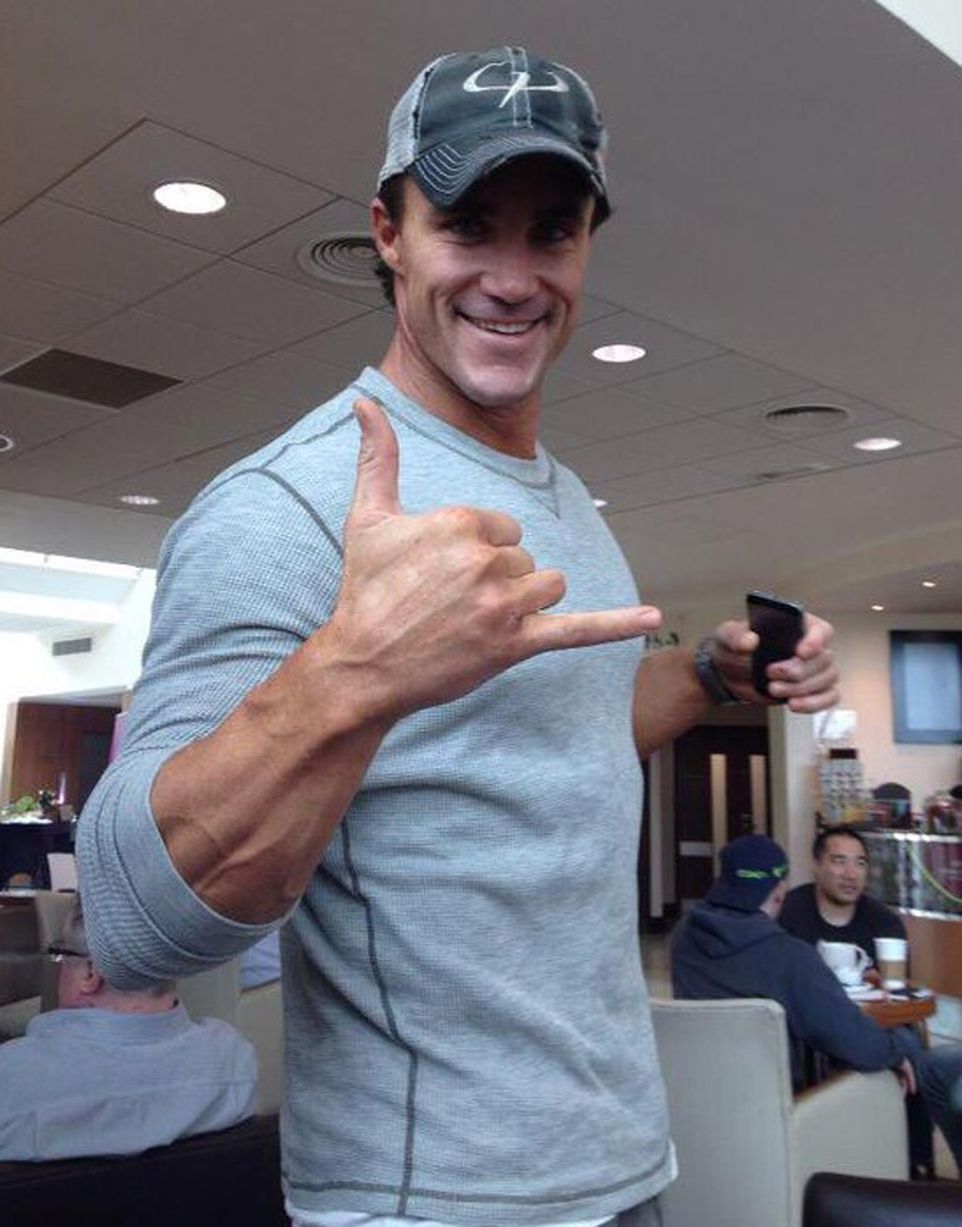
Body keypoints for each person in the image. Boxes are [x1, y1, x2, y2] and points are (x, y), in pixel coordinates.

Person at [76, 47, 840, 1227]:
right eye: (468, 225)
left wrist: (705, 672)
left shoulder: (563, 495)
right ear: (388, 232)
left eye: (552, 232)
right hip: (429, 1196)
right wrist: (356, 673)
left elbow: (551, 733)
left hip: (620, 1165)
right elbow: (132, 921)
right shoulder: (283, 507)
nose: (512, 278)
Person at [671, 834, 962, 1176]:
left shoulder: (682, 938)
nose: (850, 872)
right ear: (779, 890)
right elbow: (854, 1041)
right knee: (904, 1054)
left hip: (700, 1104)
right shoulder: (787, 956)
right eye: (839, 861)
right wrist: (896, 1052)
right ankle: (910, 1172)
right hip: (785, 1106)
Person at [0, 895, 256, 1161]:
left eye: (61, 954)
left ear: (90, 972)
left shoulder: (12, 1078)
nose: (60, 967)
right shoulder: (233, 1057)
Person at [778, 825, 906, 966]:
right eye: (839, 861)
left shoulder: (885, 924)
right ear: (816, 866)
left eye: (860, 863)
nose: (851, 875)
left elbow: (897, 978)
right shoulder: (785, 914)